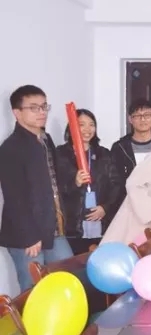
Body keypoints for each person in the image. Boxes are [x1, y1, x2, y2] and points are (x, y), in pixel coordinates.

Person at [0, 85, 73, 291]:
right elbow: (14, 198)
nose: (42, 112)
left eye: (44, 106)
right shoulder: (11, 148)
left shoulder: (45, 139)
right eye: (34, 108)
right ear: (17, 112)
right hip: (27, 235)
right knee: (33, 290)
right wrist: (29, 236)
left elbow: (52, 180)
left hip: (53, 228)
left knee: (66, 280)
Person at [56, 108, 123, 254]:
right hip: (72, 224)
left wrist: (105, 207)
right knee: (75, 261)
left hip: (100, 222)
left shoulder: (103, 154)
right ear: (72, 127)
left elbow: (116, 186)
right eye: (82, 124)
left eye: (91, 124)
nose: (88, 129)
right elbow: (56, 188)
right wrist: (75, 183)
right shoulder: (61, 154)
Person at [110, 99, 151, 203]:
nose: (142, 119)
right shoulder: (120, 147)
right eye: (137, 116)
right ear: (130, 119)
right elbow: (115, 181)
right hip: (128, 202)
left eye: (147, 115)